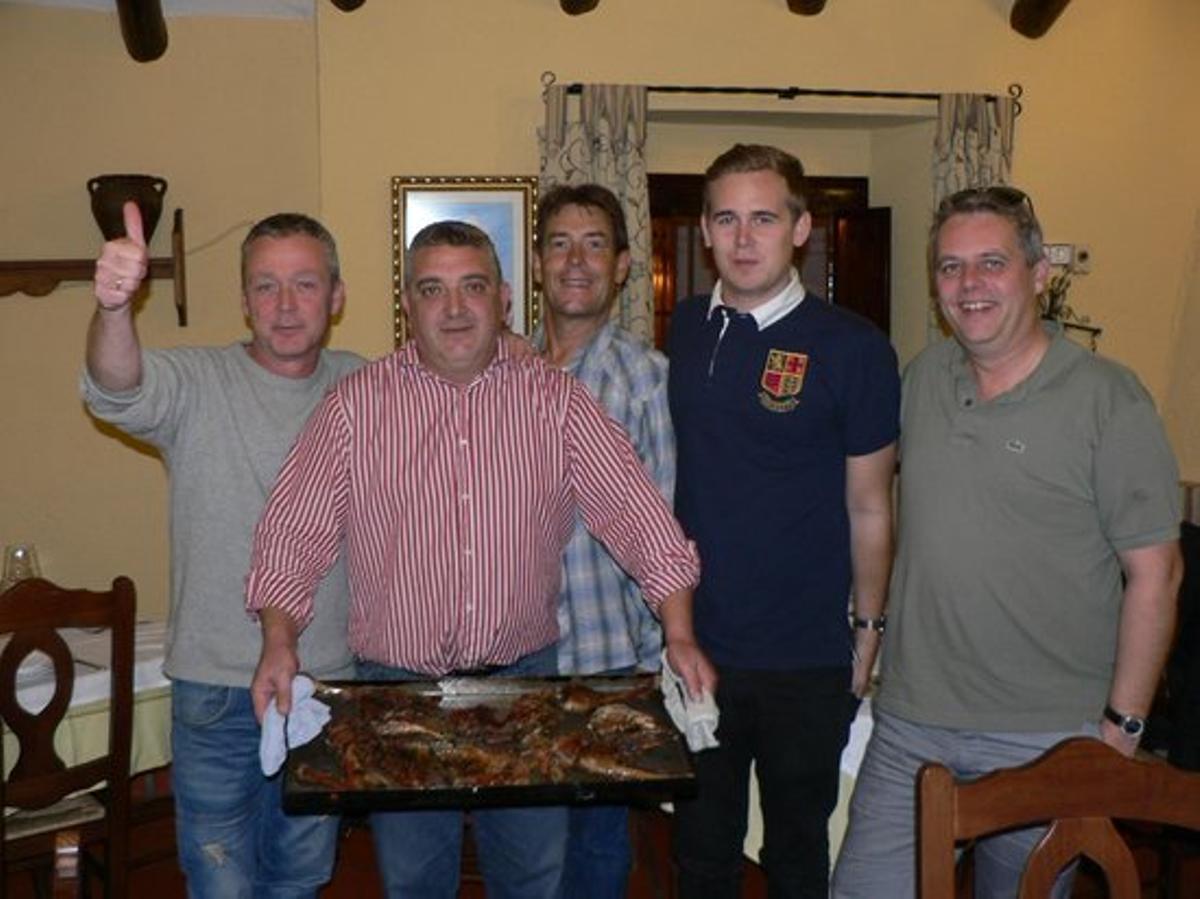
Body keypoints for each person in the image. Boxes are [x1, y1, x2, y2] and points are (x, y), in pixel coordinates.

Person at [245, 220, 716, 899]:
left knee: (533, 877)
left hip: (525, 687)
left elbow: (640, 518)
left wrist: (679, 632)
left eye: (472, 287)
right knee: (414, 882)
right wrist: (278, 640)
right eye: (433, 290)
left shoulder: (555, 402)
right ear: (409, 303)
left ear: (502, 297)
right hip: (396, 691)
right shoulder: (355, 407)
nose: (455, 308)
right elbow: (292, 534)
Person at [830, 185, 1184, 899]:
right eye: (951, 267)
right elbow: (867, 502)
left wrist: (1119, 730)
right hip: (911, 720)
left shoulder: (1109, 399)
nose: (970, 285)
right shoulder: (922, 379)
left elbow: (1158, 574)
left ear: (1038, 274)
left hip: (1045, 733)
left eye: (991, 263)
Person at [84, 204, 362, 897]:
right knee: (221, 881)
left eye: (305, 283)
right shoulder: (197, 382)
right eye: (266, 285)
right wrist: (114, 309)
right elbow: (118, 386)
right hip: (214, 686)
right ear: (243, 301)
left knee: (302, 876)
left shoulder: (365, 387)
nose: (286, 304)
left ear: (336, 295)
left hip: (324, 685)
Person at [667, 144, 900, 898]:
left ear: (801, 228)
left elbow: (871, 505)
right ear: (704, 229)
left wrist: (868, 632)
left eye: (764, 217)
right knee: (702, 853)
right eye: (727, 218)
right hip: (700, 650)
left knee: (798, 853)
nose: (743, 238)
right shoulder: (688, 327)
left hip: (807, 656)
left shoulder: (854, 347)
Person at [531, 183, 673, 898]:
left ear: (622, 266)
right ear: (537, 263)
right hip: (515, 664)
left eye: (594, 244)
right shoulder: (501, 374)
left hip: (608, 665)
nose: (575, 260)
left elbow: (667, 527)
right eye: (559, 243)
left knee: (595, 859)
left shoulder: (647, 383)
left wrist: (657, 667)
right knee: (525, 858)